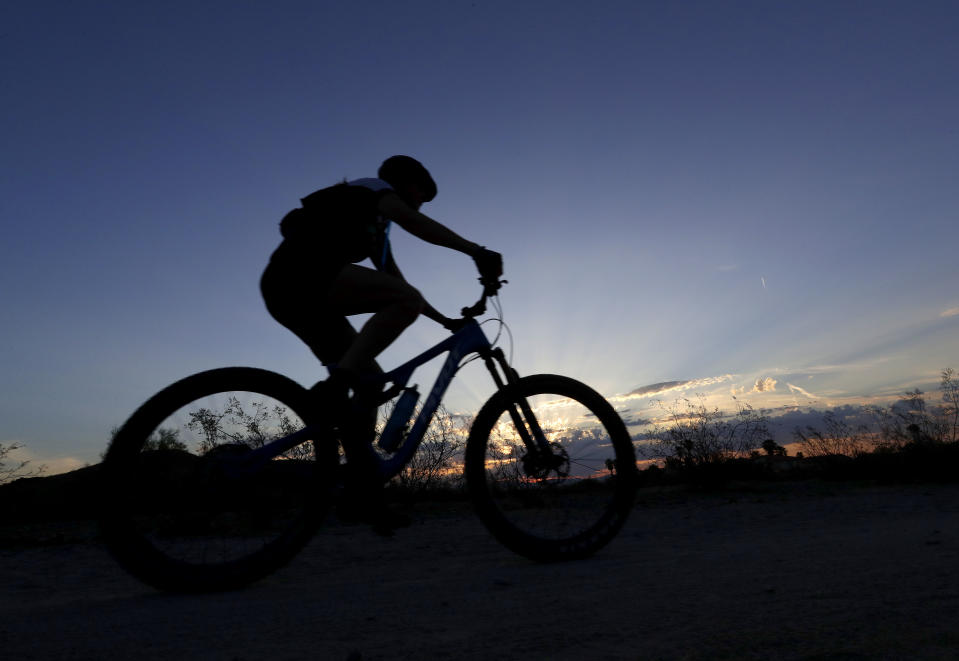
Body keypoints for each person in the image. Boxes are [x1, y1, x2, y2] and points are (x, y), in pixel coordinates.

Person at [260, 155, 502, 533]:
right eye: (422, 192)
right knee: (370, 351)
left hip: (296, 294)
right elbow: (414, 224)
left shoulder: (374, 230)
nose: (421, 202)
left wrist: (445, 321)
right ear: (406, 182)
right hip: (300, 274)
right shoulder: (372, 189)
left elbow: (400, 285)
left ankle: (364, 496)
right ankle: (337, 383)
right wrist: (477, 251)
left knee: (370, 382)